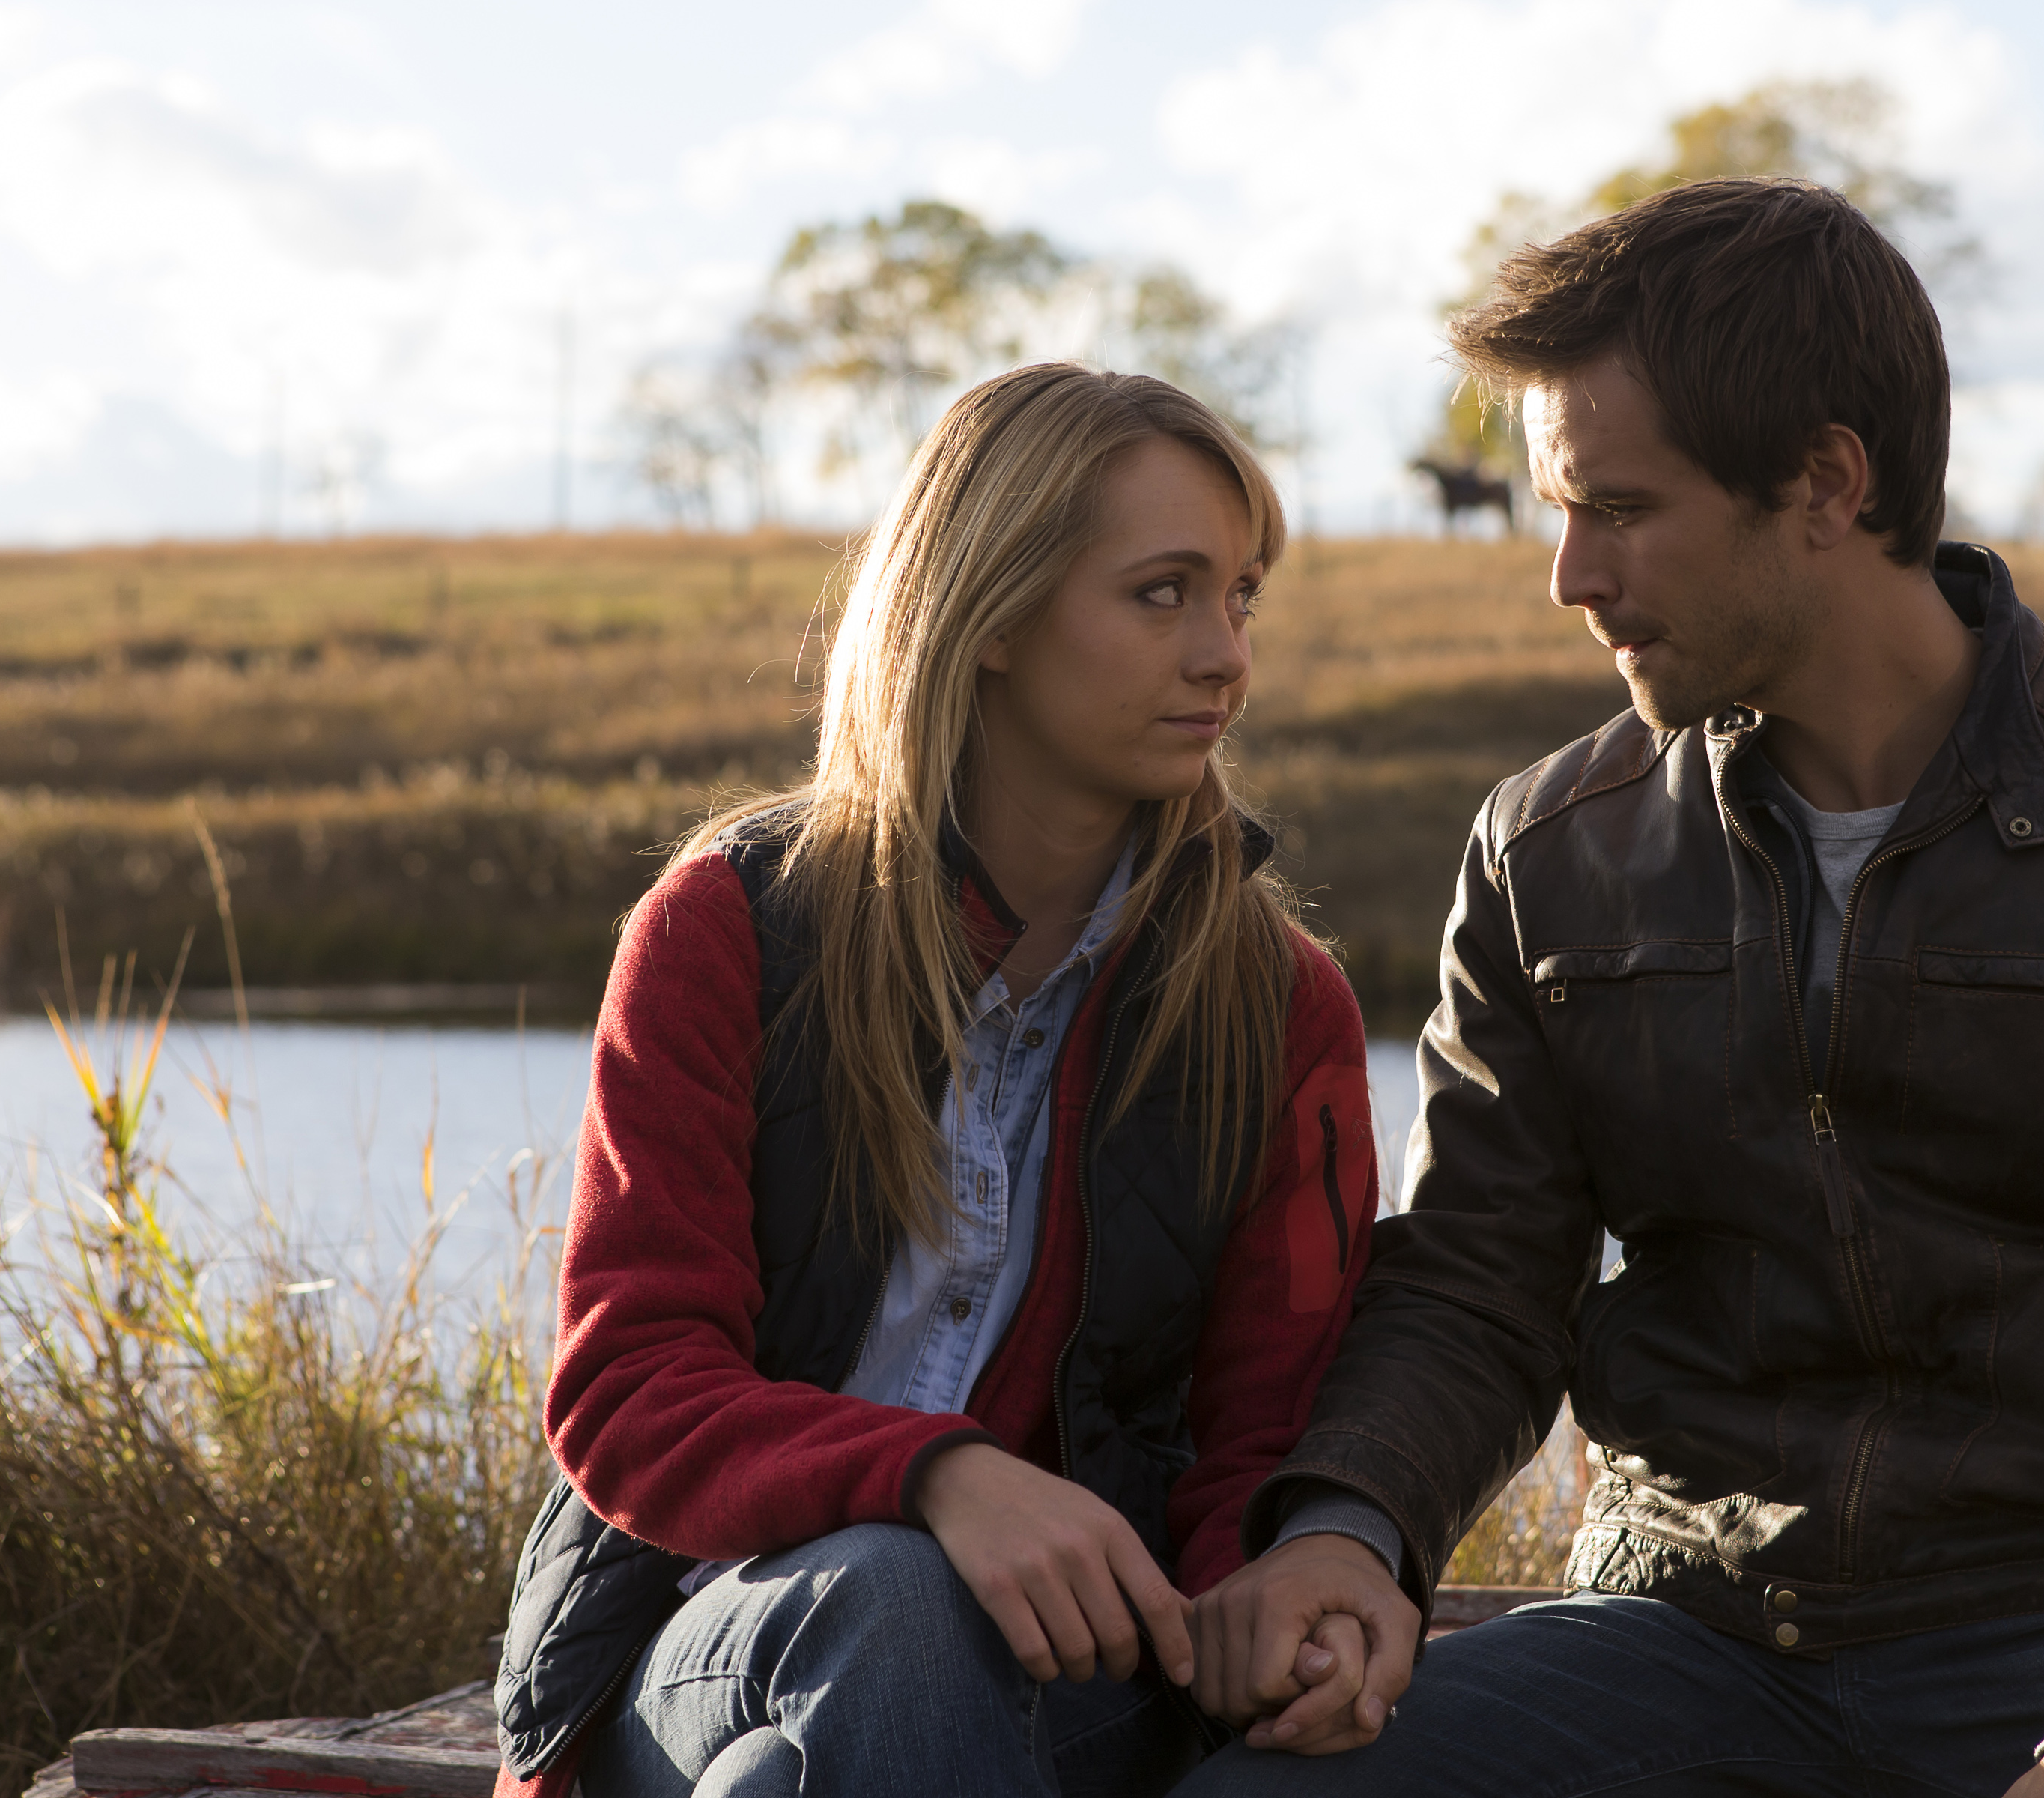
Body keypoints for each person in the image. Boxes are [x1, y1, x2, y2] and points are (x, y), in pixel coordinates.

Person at [1178, 179, 2044, 1797]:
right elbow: (1473, 1284)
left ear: (1826, 483)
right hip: (1676, 1636)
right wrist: (1351, 1532)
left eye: (1621, 510)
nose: (1568, 576)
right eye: (1556, 513)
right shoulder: (1548, 853)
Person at [492, 363, 1383, 1798]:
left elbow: (1261, 1434)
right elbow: (631, 1388)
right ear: (992, 619)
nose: (1225, 654)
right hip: (705, 1630)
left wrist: (1275, 1606)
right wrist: (940, 1475)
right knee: (896, 1603)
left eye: (1242, 596)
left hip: (1080, 1666)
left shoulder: (1277, 1007)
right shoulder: (734, 929)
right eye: (1163, 594)